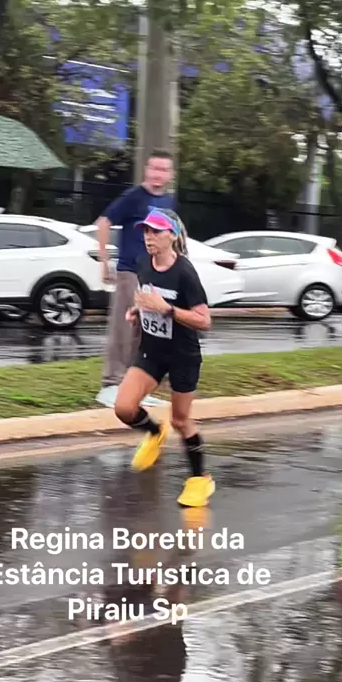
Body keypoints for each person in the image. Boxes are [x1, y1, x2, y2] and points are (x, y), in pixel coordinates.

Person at [114, 207, 214, 508]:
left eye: (155, 232)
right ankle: (155, 432)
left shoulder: (185, 272)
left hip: (182, 355)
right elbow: (147, 296)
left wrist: (167, 310)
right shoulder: (143, 263)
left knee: (181, 420)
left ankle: (200, 480)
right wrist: (138, 310)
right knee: (124, 407)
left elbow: (204, 320)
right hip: (152, 350)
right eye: (146, 231)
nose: (149, 237)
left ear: (171, 235)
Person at [96, 150, 175, 408]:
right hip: (130, 271)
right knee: (123, 327)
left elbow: (172, 236)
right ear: (146, 170)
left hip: (152, 275)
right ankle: (110, 384)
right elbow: (104, 222)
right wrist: (104, 261)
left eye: (163, 169)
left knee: (144, 332)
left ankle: (135, 386)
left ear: (170, 174)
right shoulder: (134, 197)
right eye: (154, 168)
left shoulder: (169, 201)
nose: (158, 174)